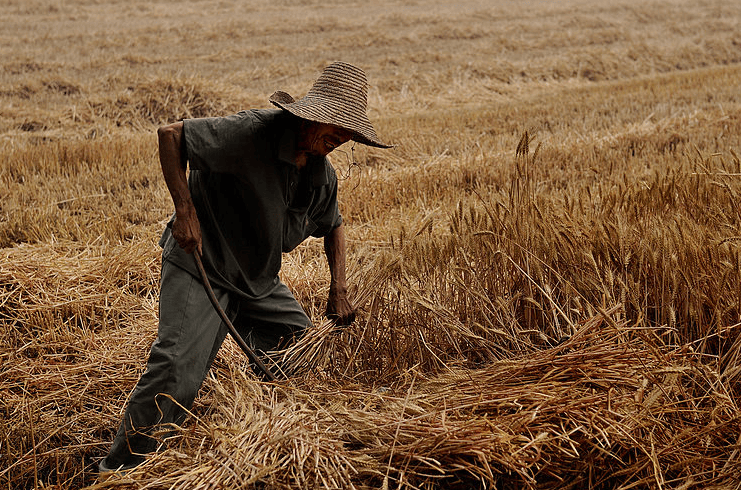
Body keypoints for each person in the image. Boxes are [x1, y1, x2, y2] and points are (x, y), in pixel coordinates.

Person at [99, 61, 392, 475]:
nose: (340, 139)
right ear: (312, 113)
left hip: (256, 280)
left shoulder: (320, 174)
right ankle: (121, 472)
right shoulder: (252, 133)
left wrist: (338, 287)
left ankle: (275, 436)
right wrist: (184, 210)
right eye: (335, 126)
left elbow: (334, 225)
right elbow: (171, 136)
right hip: (203, 265)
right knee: (176, 369)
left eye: (347, 134)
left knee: (300, 347)